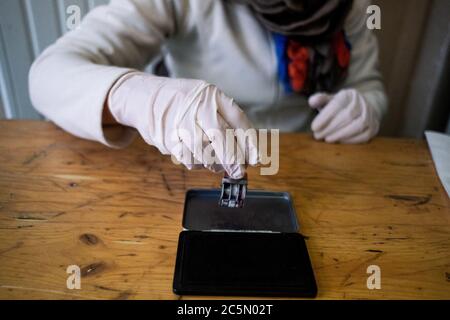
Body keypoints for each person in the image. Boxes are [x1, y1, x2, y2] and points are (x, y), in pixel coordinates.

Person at [29, 0, 387, 179]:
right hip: (194, 165)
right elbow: (47, 75)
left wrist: (366, 106)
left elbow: (368, 84)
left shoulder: (348, 8)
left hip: (311, 168)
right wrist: (141, 98)